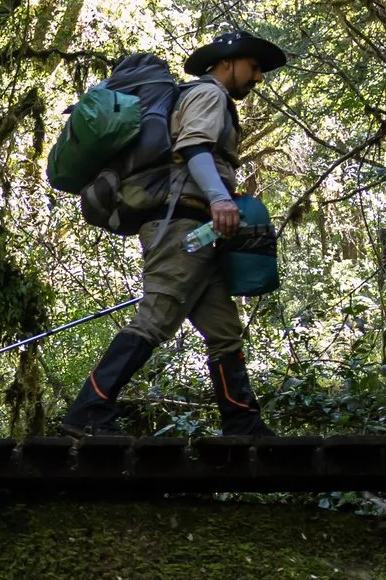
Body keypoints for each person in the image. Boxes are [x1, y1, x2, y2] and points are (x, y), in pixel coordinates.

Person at [62, 29, 288, 437]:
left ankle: (243, 424)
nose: (258, 78)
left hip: (199, 230)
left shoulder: (199, 96)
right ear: (226, 63)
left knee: (224, 331)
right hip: (180, 225)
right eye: (253, 67)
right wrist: (220, 199)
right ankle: (88, 410)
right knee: (157, 316)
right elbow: (194, 148)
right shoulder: (208, 94)